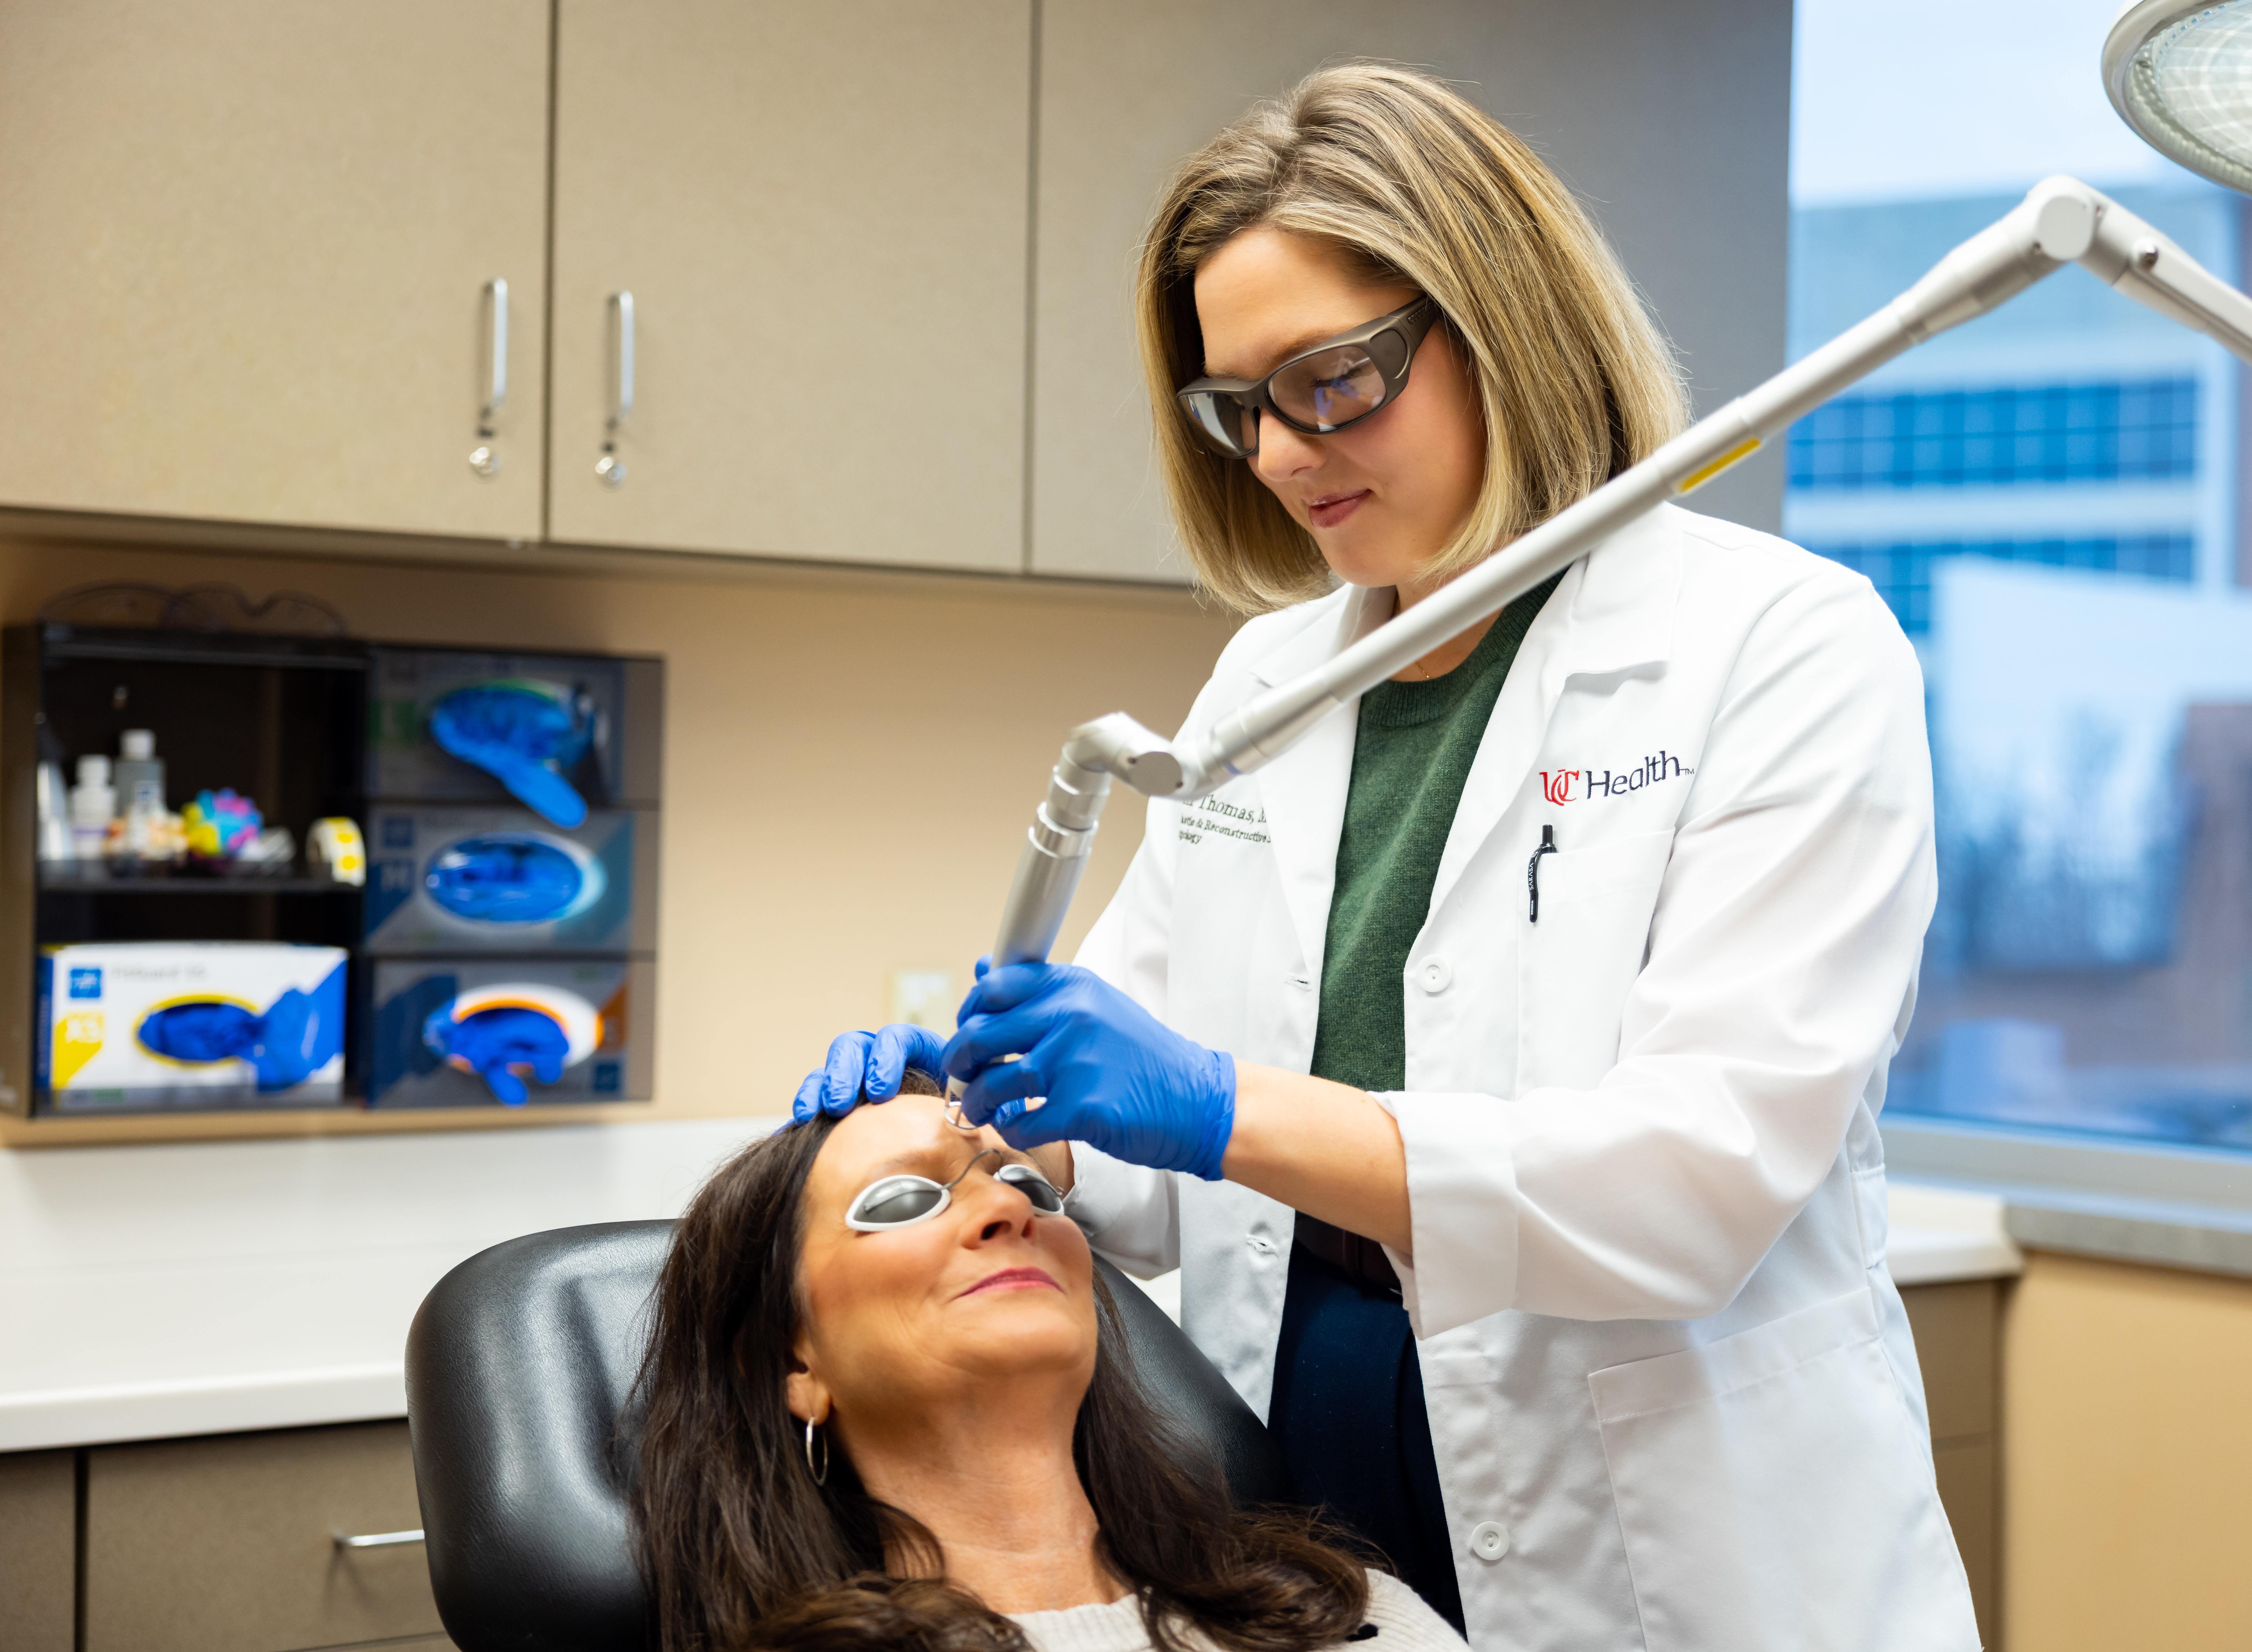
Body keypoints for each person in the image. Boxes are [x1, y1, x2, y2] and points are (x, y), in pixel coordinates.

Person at [797, 64, 1979, 1651]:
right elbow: (1146, 1112)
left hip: (1670, 1520)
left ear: (1503, 326)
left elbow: (1694, 1183)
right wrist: (1006, 1121)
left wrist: (1214, 1104)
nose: (1283, 454)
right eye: (1239, 406)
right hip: (1313, 1477)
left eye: (1333, 380)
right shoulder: (1266, 683)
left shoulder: (1777, 645)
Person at [631, 1071, 1464, 1652]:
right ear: (793, 1364)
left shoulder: (1343, 1616)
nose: (1006, 1205)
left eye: (1031, 1187)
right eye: (902, 1200)